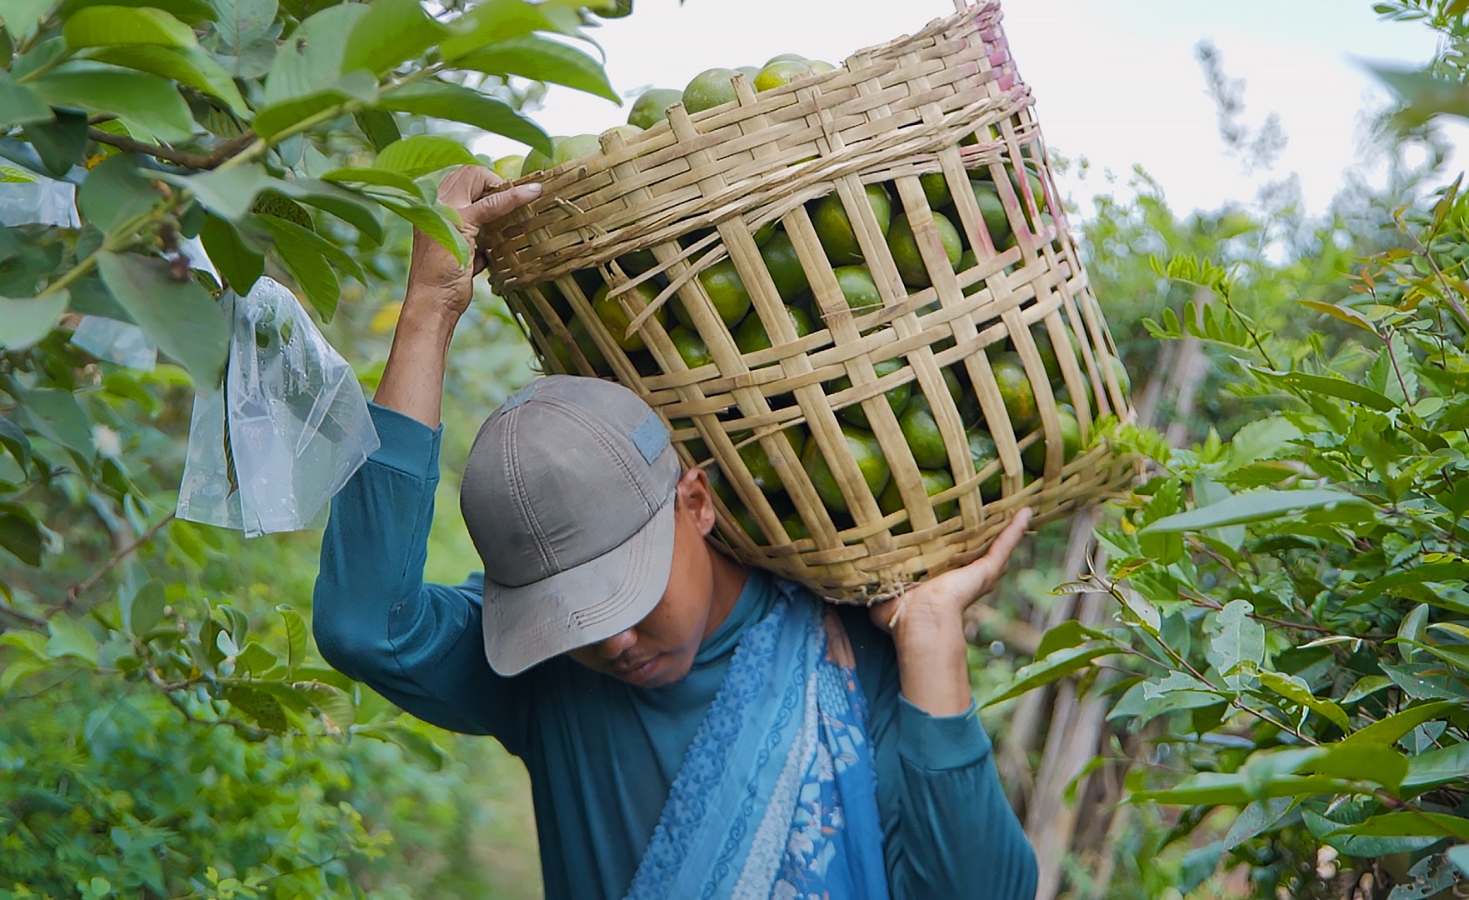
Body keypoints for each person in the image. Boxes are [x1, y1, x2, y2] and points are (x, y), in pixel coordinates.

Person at [312, 165, 1040, 900]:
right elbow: (366, 627)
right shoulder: (547, 676)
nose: (611, 643)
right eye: (568, 620)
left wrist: (932, 637)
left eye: (624, 595)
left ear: (694, 504)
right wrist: (430, 309)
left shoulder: (849, 658)